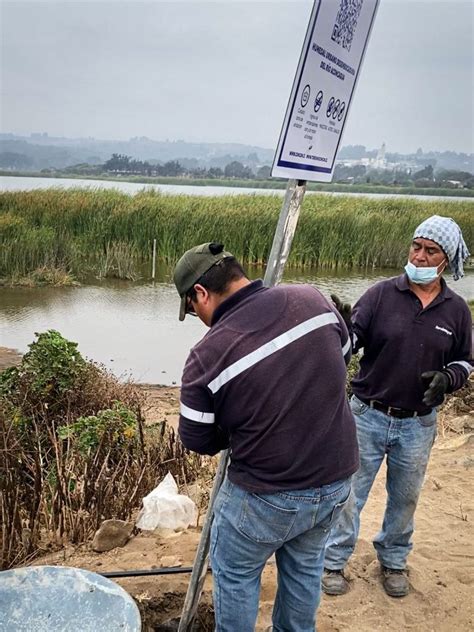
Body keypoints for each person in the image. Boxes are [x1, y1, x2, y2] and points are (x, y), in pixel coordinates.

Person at [173, 242, 359, 632]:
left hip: (266, 495)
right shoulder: (310, 298)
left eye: (192, 310)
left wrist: (242, 422)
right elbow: (342, 355)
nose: (199, 319)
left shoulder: (207, 355)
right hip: (336, 478)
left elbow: (198, 439)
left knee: (236, 574)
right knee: (305, 567)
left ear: (201, 294)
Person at [323, 215, 472, 598]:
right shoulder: (380, 295)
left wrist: (448, 379)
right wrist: (340, 326)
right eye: (416, 247)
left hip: (417, 424)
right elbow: (350, 344)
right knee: (348, 494)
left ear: (446, 259)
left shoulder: (456, 310)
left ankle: (392, 560)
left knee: (405, 497)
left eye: (431, 251)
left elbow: (465, 361)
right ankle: (333, 561)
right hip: (367, 414)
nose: (420, 257)